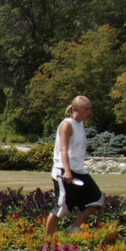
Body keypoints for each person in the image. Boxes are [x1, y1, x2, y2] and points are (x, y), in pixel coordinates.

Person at [45, 95, 104, 236]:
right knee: (61, 208)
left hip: (79, 170)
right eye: (86, 109)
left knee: (97, 199)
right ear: (76, 109)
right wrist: (67, 171)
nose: (89, 112)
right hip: (64, 170)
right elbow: (63, 150)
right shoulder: (67, 125)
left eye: (90, 109)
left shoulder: (80, 124)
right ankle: (46, 242)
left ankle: (74, 227)